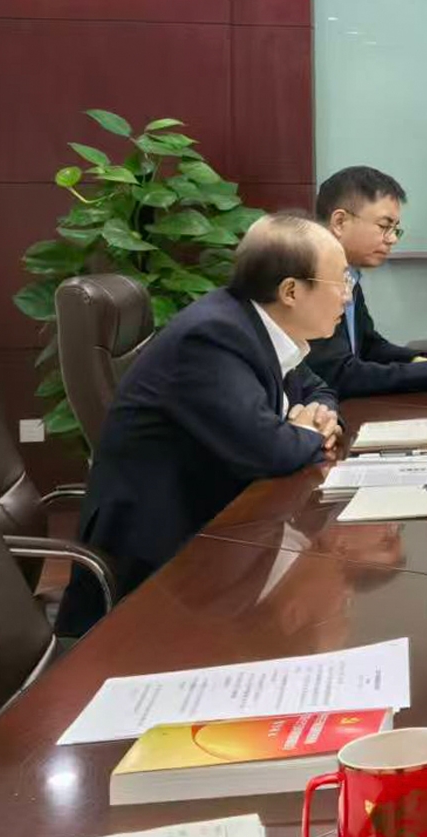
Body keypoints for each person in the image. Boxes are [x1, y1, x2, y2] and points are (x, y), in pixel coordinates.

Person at [56, 214, 349, 635]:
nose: (347, 296)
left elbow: (317, 387)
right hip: (164, 572)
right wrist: (310, 432)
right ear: (290, 291)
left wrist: (317, 413)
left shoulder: (255, 325)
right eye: (341, 282)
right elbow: (269, 449)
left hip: (218, 536)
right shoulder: (214, 336)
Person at [306, 166, 427, 398]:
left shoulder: (350, 274)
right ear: (340, 222)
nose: (392, 239)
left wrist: (420, 361)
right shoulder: (310, 278)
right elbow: (339, 375)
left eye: (395, 229)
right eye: (384, 226)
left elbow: (368, 346)